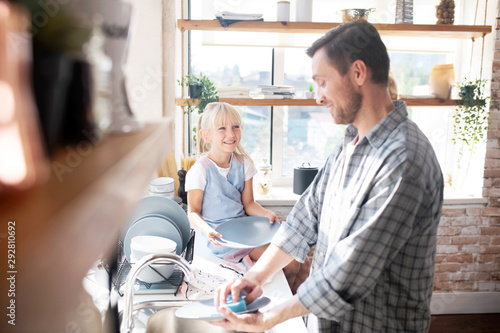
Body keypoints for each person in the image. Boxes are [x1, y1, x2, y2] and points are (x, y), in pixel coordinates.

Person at [211, 20, 444, 332]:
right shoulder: (351, 142)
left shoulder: (403, 161)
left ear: (358, 73)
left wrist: (269, 318)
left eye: (322, 82)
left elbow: (349, 272)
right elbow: (305, 217)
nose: (317, 97)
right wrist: (255, 277)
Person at [185, 102, 279, 263]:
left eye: (236, 126)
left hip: (244, 230)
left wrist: (265, 213)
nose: (231, 134)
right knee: (291, 262)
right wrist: (207, 230)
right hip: (221, 238)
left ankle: (294, 289)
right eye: (221, 128)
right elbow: (193, 212)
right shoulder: (199, 170)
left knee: (302, 261)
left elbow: (248, 203)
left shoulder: (244, 164)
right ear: (206, 135)